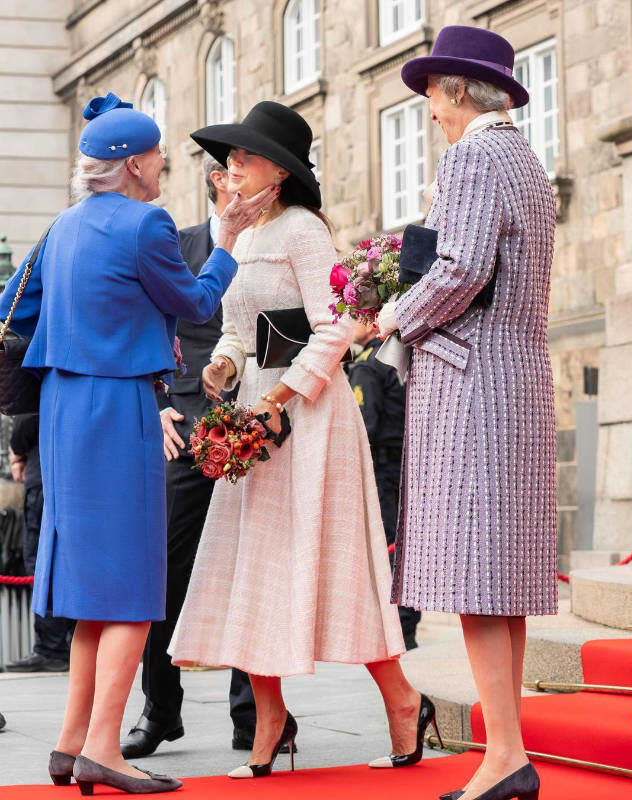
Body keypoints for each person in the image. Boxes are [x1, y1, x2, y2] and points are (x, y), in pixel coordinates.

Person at [0, 91, 278, 795]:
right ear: (129, 165)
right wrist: (228, 242)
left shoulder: (62, 228)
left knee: (96, 589)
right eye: (155, 155)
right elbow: (195, 303)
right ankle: (103, 749)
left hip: (63, 407)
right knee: (130, 585)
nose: (162, 166)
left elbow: (11, 310)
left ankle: (71, 744)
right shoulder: (145, 223)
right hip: (118, 403)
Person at [169, 100, 440, 779]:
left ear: (279, 173)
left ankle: (404, 703)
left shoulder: (302, 231)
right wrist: (224, 365)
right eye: (227, 160)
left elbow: (336, 328)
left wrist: (281, 397)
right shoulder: (236, 239)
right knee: (251, 570)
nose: (229, 168)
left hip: (311, 419)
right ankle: (269, 724)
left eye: (243, 158)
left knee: (338, 566)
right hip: (257, 416)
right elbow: (237, 327)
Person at [377, 25, 557, 800]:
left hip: (472, 379)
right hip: (517, 374)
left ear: (456, 88)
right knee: (504, 580)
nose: (431, 118)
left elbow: (460, 268)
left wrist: (389, 317)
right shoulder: (528, 162)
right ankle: (507, 751)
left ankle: (506, 758)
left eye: (432, 102)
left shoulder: (474, 156)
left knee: (481, 579)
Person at [121, 155, 259, 759]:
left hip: (261, 424)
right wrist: (154, 404)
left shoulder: (289, 236)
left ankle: (254, 714)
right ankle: (160, 709)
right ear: (217, 181)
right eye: (238, 171)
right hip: (182, 431)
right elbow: (137, 327)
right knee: (167, 571)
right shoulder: (172, 242)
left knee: (253, 569)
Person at [347, 322, 421, 651]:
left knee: (389, 546)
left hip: (381, 468)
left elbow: (364, 426)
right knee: (403, 545)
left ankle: (398, 627)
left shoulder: (367, 365)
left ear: (367, 322)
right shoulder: (397, 356)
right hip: (406, 464)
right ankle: (406, 622)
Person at [6, 414, 74, 673]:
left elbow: (26, 419)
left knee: (41, 560)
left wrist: (17, 453)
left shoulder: (44, 375)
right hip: (76, 480)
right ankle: (75, 641)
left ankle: (51, 647)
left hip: (45, 475)